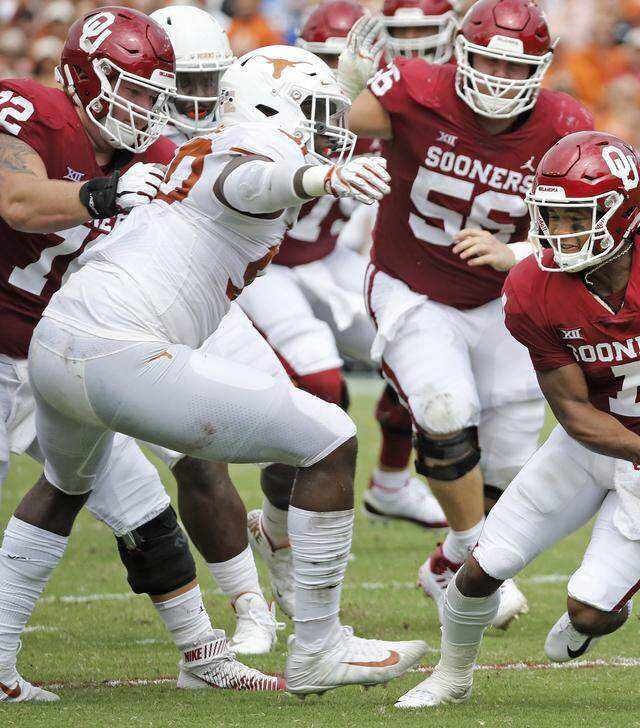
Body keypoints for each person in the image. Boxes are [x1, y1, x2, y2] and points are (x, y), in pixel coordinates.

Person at [15, 44, 430, 697]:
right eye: (320, 112)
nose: (334, 129)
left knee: (65, 487)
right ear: (274, 107)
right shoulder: (256, 145)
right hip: (121, 349)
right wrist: (315, 180)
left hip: (60, 339)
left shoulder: (213, 140)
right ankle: (320, 645)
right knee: (330, 438)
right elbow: (248, 181)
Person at [395, 130, 640, 708]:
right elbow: (571, 411)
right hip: (596, 443)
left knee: (590, 612)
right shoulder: (532, 288)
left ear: (623, 213)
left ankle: (592, 620)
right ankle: (452, 675)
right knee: (480, 569)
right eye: (551, 217)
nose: (558, 233)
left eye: (576, 218)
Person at [0, 7, 283, 701]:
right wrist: (99, 194)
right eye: (125, 87)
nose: (139, 108)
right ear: (80, 75)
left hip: (50, 356)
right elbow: (16, 201)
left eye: (150, 94)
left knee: (143, 508)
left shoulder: (156, 160)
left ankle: (201, 655)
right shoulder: (36, 108)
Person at [336, 0, 594, 629]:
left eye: (516, 68)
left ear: (542, 68)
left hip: (499, 296)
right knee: (446, 409)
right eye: (488, 63)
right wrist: (340, 90)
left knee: (508, 463)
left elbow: (592, 225)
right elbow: (338, 133)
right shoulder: (418, 88)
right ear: (461, 52)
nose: (500, 81)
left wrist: (519, 250)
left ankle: (449, 563)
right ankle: (477, 563)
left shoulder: (565, 122)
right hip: (411, 283)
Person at [238, 0, 447, 550]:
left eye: (346, 66)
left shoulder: (383, 114)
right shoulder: (271, 113)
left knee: (415, 339)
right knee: (323, 383)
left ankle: (394, 482)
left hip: (329, 257)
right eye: (323, 63)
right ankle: (279, 522)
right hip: (270, 266)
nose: (334, 80)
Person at [149, 3, 283, 655]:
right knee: (199, 468)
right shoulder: (122, 138)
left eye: (212, 82)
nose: (201, 99)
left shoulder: (244, 128)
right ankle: (250, 607)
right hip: (140, 319)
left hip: (216, 309)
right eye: (187, 83)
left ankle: (288, 567)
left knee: (303, 435)